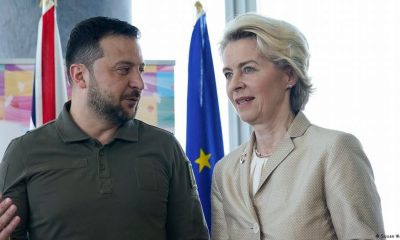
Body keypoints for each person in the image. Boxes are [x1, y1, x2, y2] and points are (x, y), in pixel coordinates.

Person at [0, 16, 209, 240]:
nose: (139, 82)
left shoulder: (166, 149)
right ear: (80, 76)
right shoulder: (24, 153)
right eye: (123, 69)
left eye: (140, 69)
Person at [211, 13, 384, 240]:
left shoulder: (334, 150)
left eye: (248, 69)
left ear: (289, 75)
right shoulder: (225, 172)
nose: (234, 84)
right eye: (228, 74)